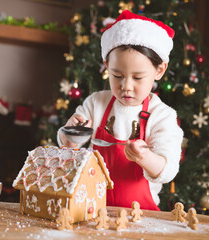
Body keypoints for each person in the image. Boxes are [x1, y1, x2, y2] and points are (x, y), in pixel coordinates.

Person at [57, 10, 183, 210]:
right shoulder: (96, 103)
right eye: (117, 75)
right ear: (107, 66)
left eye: (138, 77)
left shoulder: (162, 116)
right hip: (91, 208)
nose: (126, 85)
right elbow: (67, 148)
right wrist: (71, 136)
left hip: (141, 214)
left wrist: (144, 157)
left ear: (159, 71)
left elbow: (167, 171)